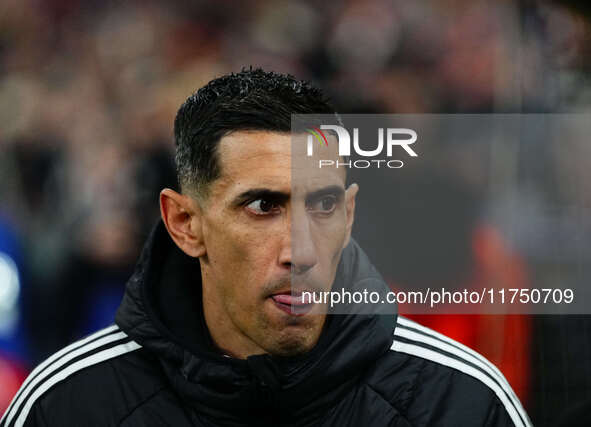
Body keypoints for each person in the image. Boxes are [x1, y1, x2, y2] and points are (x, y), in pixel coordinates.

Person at [1, 68, 531, 426]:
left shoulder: (461, 399)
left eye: (322, 208)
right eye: (262, 207)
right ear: (184, 222)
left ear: (348, 217)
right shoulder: (68, 404)